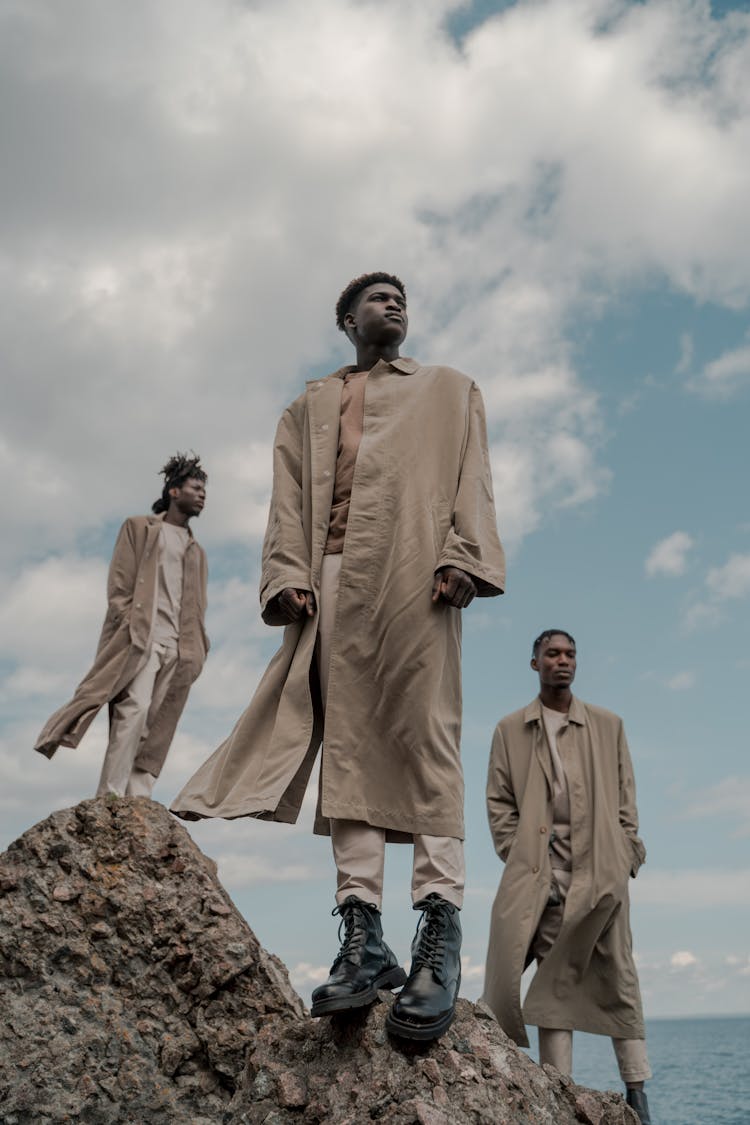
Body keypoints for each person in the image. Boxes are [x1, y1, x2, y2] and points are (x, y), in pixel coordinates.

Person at [171, 272, 505, 1041]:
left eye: (402, 297)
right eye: (377, 296)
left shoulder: (451, 389)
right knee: (347, 751)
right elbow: (285, 501)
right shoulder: (308, 406)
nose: (395, 303)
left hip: (420, 571)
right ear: (345, 318)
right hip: (329, 578)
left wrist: (466, 556)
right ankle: (363, 935)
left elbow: (472, 480)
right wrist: (287, 574)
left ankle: (439, 934)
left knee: (429, 739)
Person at [482, 630, 652, 1125]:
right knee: (552, 976)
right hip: (541, 878)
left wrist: (626, 856)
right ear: (534, 662)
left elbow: (626, 801)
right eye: (553, 654)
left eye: (570, 654)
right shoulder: (510, 730)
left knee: (620, 975)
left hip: (602, 876)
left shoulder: (608, 725)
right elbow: (498, 803)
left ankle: (637, 1092)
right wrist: (518, 853)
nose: (563, 661)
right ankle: (560, 1092)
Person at [35, 453, 209, 799]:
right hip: (141, 638)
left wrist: (200, 645)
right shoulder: (139, 528)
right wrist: (128, 623)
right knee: (135, 710)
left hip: (180, 647)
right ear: (174, 491)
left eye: (204, 490)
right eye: (196, 487)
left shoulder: (196, 550)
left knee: (158, 724)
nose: (203, 495)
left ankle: (138, 797)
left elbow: (198, 604)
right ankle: (111, 796)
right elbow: (119, 584)